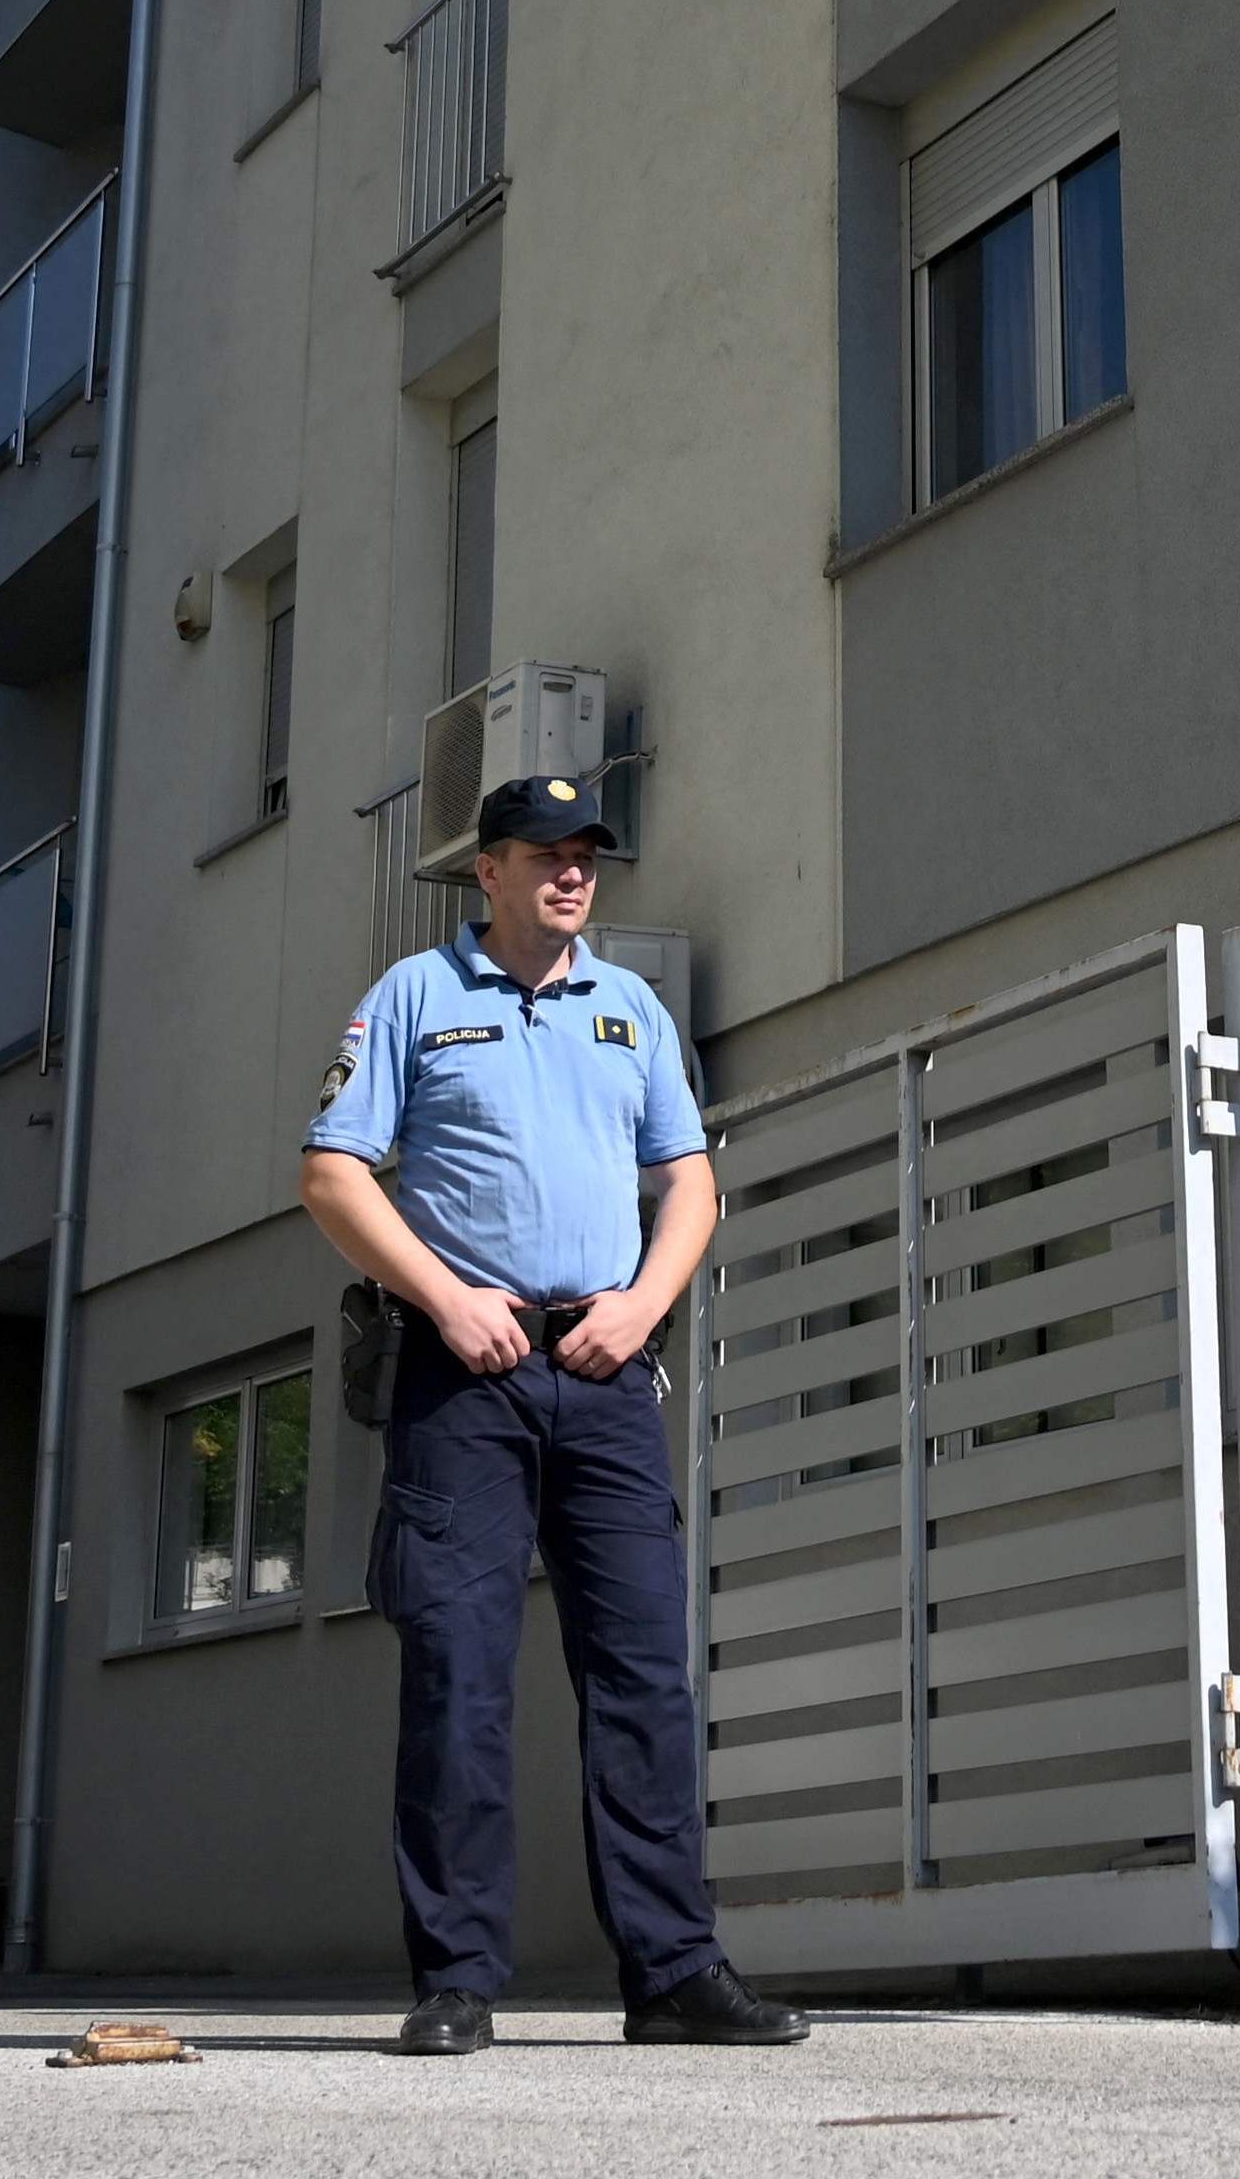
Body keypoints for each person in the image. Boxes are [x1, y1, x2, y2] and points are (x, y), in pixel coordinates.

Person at [301, 771, 802, 2054]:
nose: (571, 873)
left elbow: (689, 1181)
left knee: (641, 1675)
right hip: (461, 1372)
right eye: (544, 853)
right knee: (458, 1675)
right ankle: (457, 1977)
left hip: (605, 1372)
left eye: (586, 854)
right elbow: (332, 1173)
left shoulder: (630, 1009)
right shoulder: (414, 996)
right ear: (490, 869)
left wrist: (643, 1304)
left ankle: (676, 1971)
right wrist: (442, 1293)